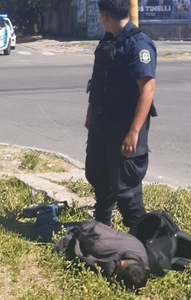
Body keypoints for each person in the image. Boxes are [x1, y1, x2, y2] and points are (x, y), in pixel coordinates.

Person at [84, 0, 157, 228]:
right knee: (100, 178)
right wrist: (90, 113)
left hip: (124, 129)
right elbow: (98, 82)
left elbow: (147, 87)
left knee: (127, 192)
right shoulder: (107, 41)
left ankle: (142, 248)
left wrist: (134, 132)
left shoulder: (138, 44)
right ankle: (101, 231)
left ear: (105, 16)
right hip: (101, 126)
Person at [54, 219, 150, 290]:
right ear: (121, 263)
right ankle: (50, 208)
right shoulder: (98, 245)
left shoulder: (143, 256)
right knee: (43, 231)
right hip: (87, 229)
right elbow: (85, 228)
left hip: (104, 232)